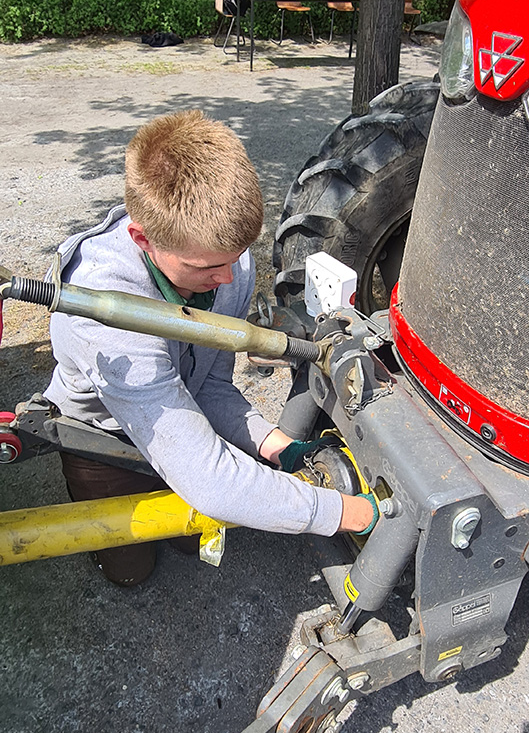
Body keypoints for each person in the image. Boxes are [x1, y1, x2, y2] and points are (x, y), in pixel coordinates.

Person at [44, 110, 377, 587]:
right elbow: (210, 479)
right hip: (102, 438)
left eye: (235, 259)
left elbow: (208, 383)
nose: (226, 279)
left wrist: (276, 445)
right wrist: (345, 512)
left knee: (192, 540)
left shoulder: (227, 265)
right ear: (143, 239)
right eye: (205, 268)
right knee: (133, 571)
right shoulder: (102, 312)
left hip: (179, 413)